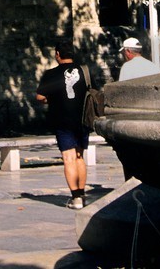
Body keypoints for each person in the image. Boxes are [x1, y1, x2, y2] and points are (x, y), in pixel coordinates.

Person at [34, 40, 93, 209]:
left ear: (58, 54)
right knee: (80, 157)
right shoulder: (84, 71)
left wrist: (50, 99)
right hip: (82, 120)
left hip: (62, 120)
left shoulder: (51, 74)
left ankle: (75, 198)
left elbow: (39, 96)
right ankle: (82, 194)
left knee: (68, 158)